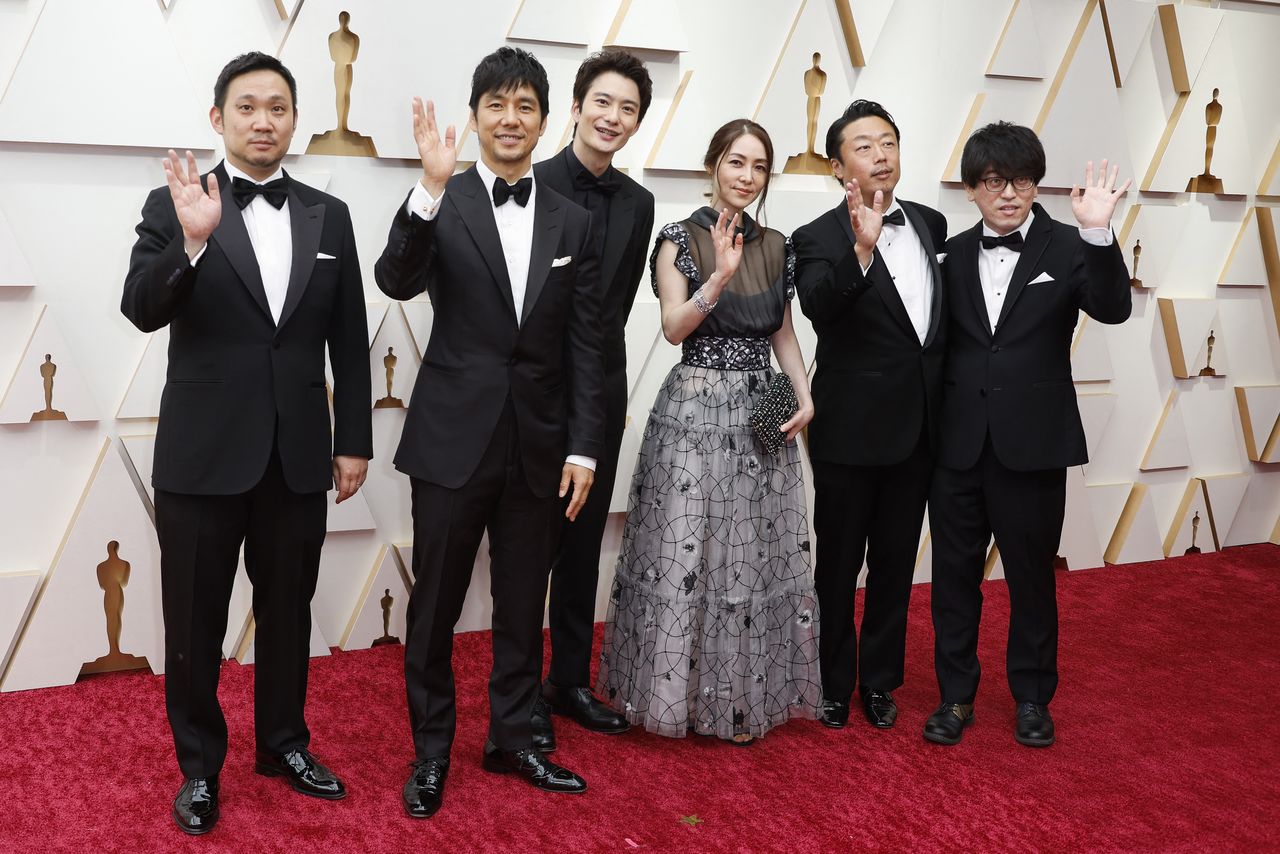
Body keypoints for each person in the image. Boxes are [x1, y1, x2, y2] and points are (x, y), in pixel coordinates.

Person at [121, 52, 371, 835]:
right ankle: (199, 769)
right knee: (194, 620)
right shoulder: (176, 205)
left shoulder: (331, 216)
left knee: (289, 610)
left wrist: (353, 440)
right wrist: (192, 245)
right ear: (218, 120)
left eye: (277, 108)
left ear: (295, 119)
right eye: (247, 108)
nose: (263, 121)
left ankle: (284, 745)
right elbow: (139, 308)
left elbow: (349, 341)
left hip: (296, 454)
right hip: (202, 456)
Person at [374, 47, 605, 818]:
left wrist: (582, 446)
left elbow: (586, 343)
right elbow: (396, 279)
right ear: (474, 116)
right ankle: (432, 751)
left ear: (548, 118)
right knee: (434, 603)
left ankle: (514, 737)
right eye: (496, 105)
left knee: (519, 602)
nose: (511, 119)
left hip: (540, 444)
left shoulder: (575, 218)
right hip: (451, 437)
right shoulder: (446, 197)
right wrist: (428, 190)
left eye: (525, 106)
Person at [598, 119, 821, 745]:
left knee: (751, 556)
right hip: (696, 406)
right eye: (735, 163)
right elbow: (673, 328)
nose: (746, 177)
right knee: (688, 553)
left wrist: (804, 396)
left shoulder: (777, 245)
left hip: (764, 404)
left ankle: (741, 703)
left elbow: (781, 330)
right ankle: (679, 698)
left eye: (758, 167)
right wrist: (720, 276)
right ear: (713, 165)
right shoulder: (678, 238)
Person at [924, 122, 1131, 748]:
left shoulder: (1069, 246)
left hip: (1033, 446)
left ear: (1035, 184)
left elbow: (1113, 307)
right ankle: (955, 697)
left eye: (1019, 181)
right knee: (953, 579)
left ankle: (1033, 698)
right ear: (972, 190)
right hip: (958, 447)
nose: (1007, 194)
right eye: (992, 182)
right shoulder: (953, 254)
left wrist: (1098, 231)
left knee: (1031, 580)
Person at [791, 100, 947, 731]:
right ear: (839, 167)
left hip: (920, 429)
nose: (881, 155)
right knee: (837, 565)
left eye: (889, 142)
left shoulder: (934, 225)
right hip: (849, 430)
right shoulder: (816, 237)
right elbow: (821, 309)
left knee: (894, 563)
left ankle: (879, 682)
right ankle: (832, 682)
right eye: (864, 146)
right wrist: (861, 249)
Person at [530, 49, 655, 750]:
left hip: (598, 391)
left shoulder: (637, 204)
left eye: (628, 109)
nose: (613, 117)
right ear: (576, 107)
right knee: (528, 545)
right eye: (602, 102)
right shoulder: (531, 181)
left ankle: (568, 681)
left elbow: (613, 307)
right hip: (532, 391)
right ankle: (519, 691)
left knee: (580, 544)